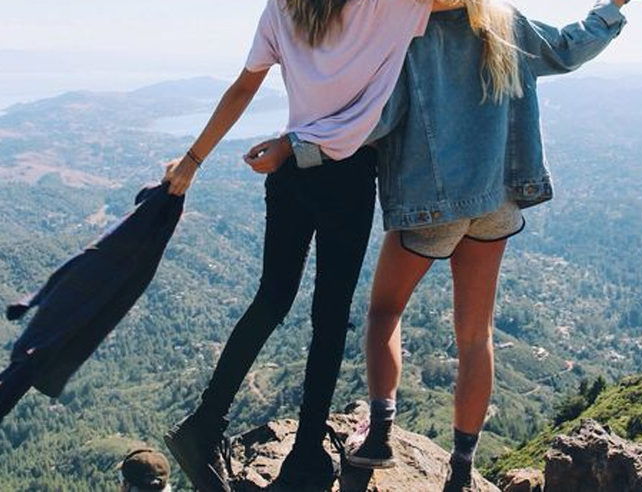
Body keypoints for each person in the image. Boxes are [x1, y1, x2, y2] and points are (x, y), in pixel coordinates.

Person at [248, 0, 630, 490]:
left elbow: (375, 119)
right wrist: (611, 8)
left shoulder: (406, 32)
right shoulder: (506, 22)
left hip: (431, 204)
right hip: (496, 200)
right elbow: (568, 49)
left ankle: (379, 437)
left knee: (384, 312)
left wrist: (295, 147)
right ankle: (462, 469)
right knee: (476, 335)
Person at [161, 0, 459, 490]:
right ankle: (304, 457)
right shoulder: (390, 6)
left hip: (290, 170)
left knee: (271, 299)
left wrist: (192, 161)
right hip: (347, 176)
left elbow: (243, 87)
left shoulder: (282, 7)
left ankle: (205, 423)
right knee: (330, 318)